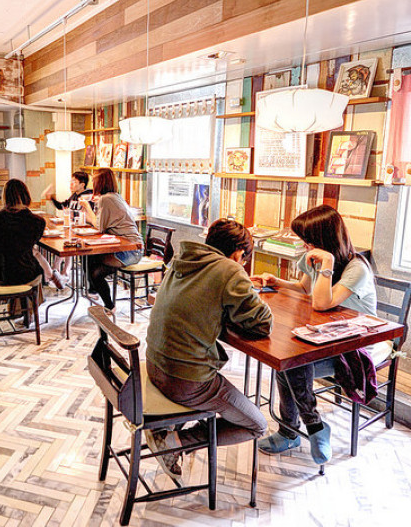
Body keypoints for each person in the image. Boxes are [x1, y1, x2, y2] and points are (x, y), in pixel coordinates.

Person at [145, 219, 272, 482]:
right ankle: (175, 441)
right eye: (244, 260)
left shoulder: (184, 259)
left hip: (155, 365)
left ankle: (168, 430)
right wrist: (243, 283)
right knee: (257, 425)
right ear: (238, 253)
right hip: (185, 380)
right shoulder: (229, 269)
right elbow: (263, 323)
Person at [252, 204, 377, 465]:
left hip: (354, 348)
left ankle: (294, 431)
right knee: (288, 361)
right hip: (325, 338)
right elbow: (303, 288)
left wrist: (327, 263)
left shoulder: (357, 268)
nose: (304, 245)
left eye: (308, 240)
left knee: (291, 365)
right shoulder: (314, 257)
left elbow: (321, 303)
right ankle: (311, 427)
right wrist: (277, 282)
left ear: (324, 240)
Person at [79, 168, 143, 311]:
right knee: (88, 259)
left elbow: (99, 227)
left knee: (93, 267)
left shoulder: (106, 199)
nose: (92, 184)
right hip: (131, 247)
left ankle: (107, 304)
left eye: (94, 180)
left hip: (130, 251)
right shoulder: (114, 197)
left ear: (100, 182)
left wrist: (87, 207)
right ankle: (94, 290)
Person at [0, 179, 51, 286]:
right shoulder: (38, 221)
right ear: (26, 196)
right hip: (23, 273)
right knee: (37, 264)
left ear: (5, 197)